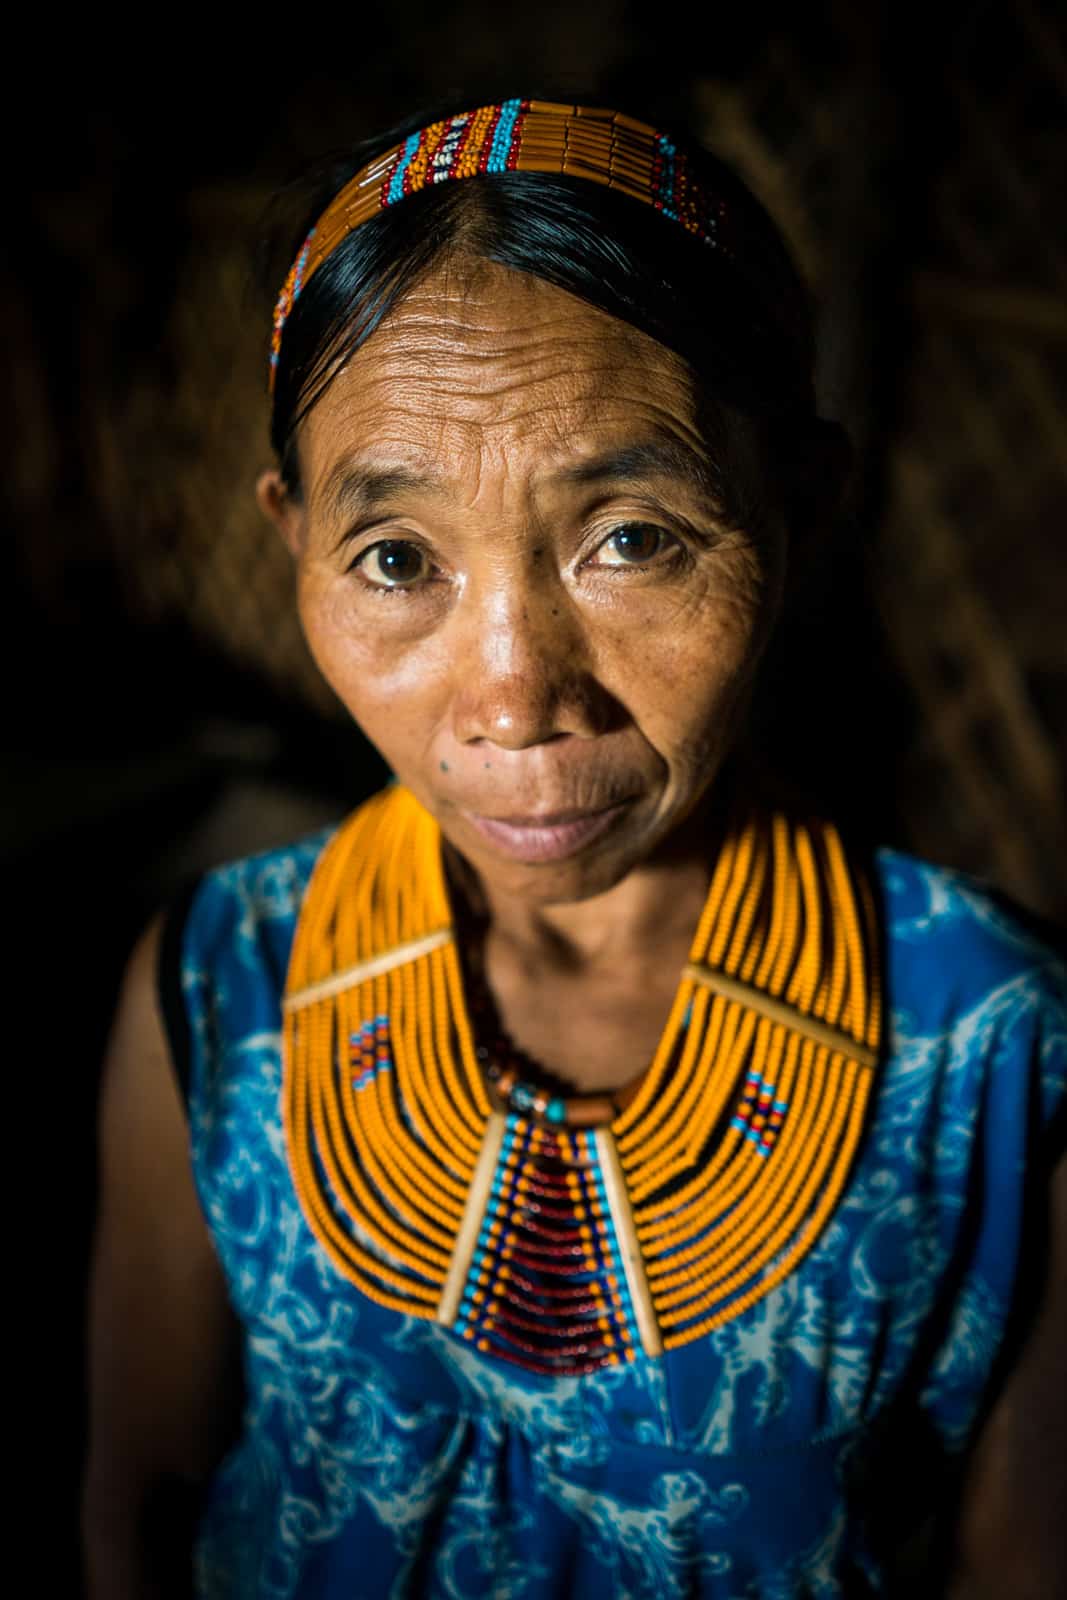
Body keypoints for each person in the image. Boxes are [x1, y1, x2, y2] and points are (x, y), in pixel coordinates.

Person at [82, 96, 1066, 1599]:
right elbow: (136, 1502)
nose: (514, 697)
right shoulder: (224, 989)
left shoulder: (997, 1047)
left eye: (633, 538)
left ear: (799, 509)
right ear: (294, 542)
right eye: (397, 559)